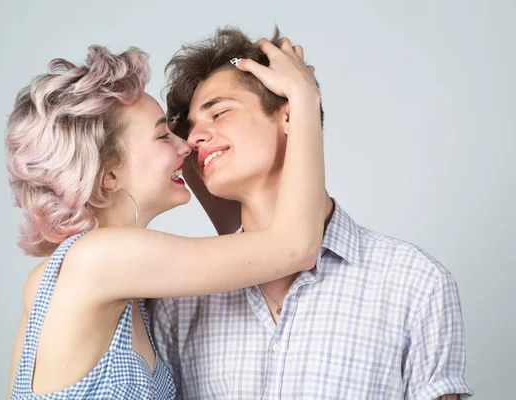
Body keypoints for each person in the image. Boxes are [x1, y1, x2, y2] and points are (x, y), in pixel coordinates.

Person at [150, 27, 473, 400]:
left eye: (219, 112)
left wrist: (304, 93)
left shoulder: (414, 284)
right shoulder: (182, 302)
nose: (193, 139)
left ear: (290, 115)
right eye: (189, 128)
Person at [6, 42, 325, 399]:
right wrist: (302, 99)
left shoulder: (79, 276)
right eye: (163, 135)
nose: (187, 145)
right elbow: (294, 247)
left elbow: (239, 239)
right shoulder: (104, 259)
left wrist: (208, 143)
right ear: (109, 175)